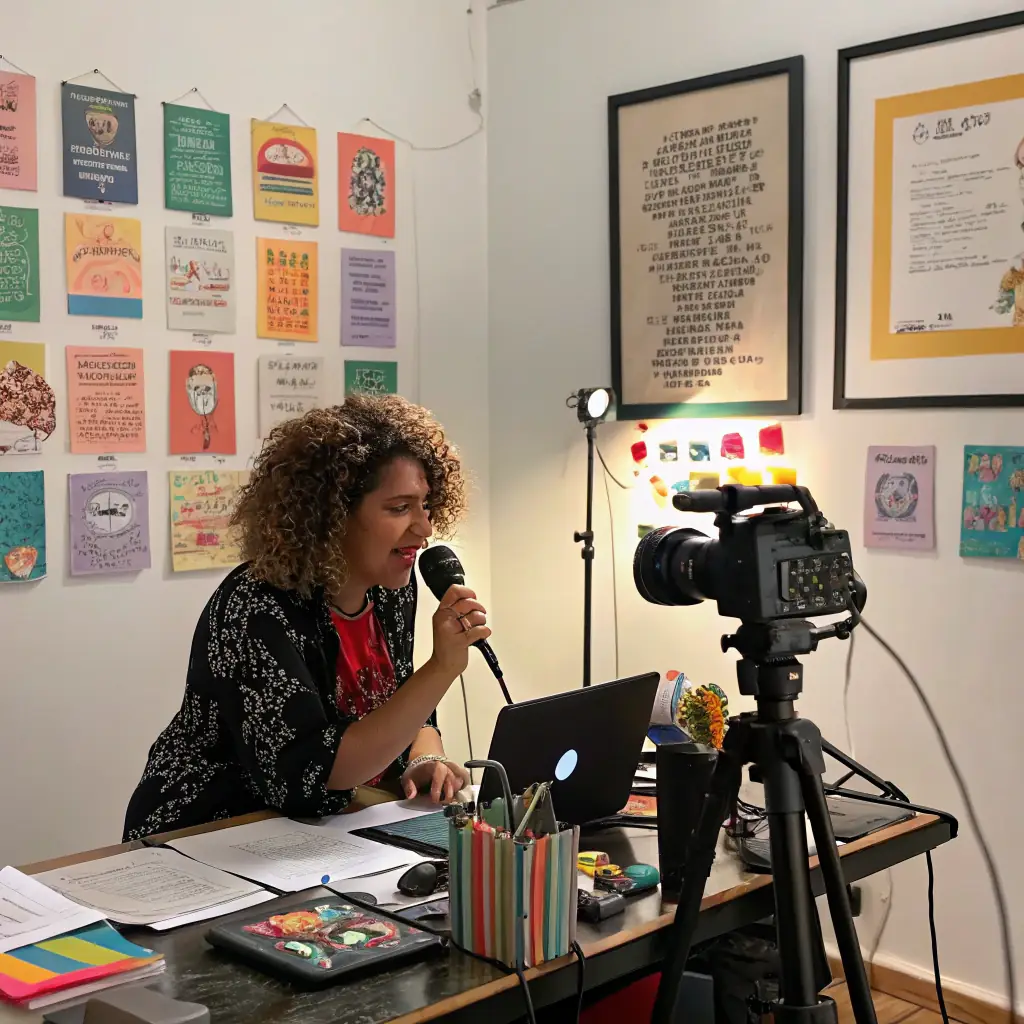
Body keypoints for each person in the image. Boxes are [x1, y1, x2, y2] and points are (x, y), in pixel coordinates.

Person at [123, 395, 488, 841]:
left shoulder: (392, 587)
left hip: (319, 835)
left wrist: (424, 757)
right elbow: (310, 774)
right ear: (332, 515)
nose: (424, 528)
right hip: (211, 838)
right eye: (399, 508)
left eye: (425, 505)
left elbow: (402, 708)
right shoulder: (256, 606)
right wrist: (443, 668)